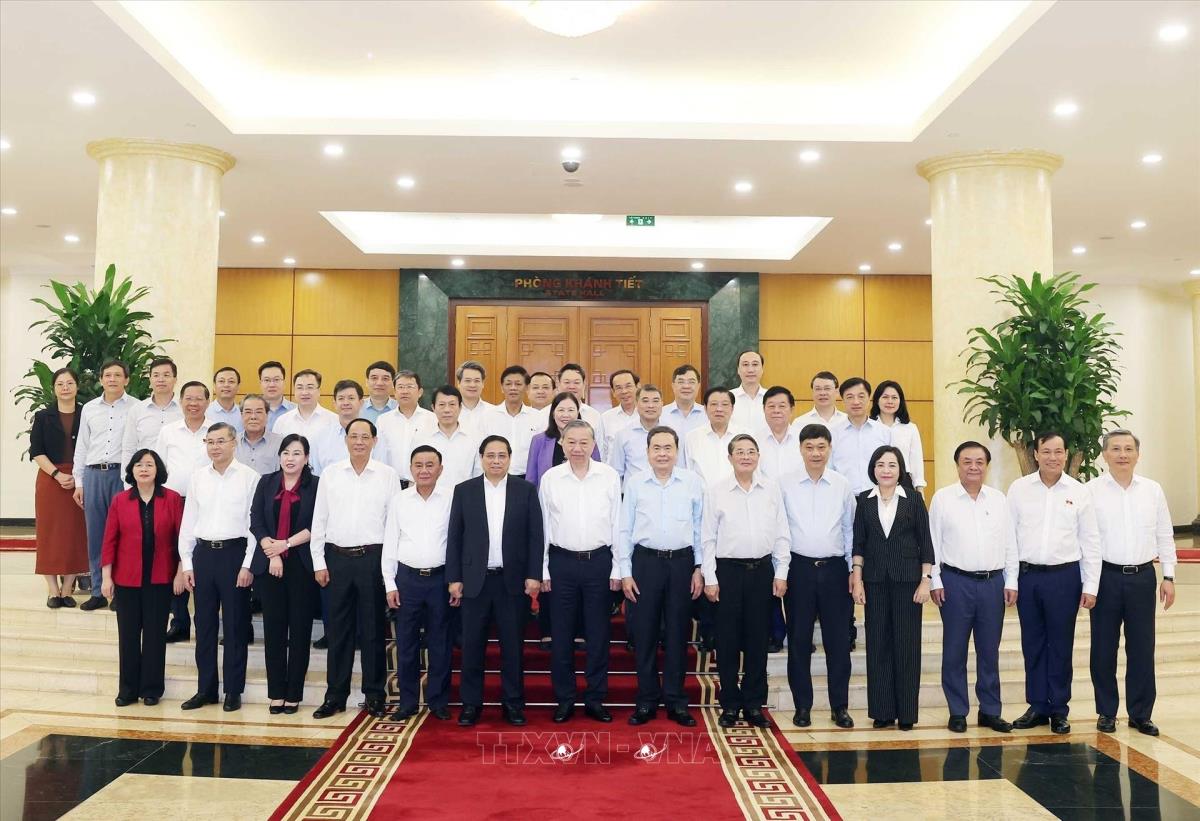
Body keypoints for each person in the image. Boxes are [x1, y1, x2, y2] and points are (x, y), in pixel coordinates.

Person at [1008, 432, 1101, 735]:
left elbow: (1090, 540)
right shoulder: (1019, 489)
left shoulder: (1079, 491)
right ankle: (1037, 705)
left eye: (1058, 451)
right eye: (1046, 451)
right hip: (1028, 577)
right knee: (1033, 643)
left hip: (1065, 577)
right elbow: (1009, 538)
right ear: (1035, 454)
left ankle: (1059, 709)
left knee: (1061, 645)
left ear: (1066, 454)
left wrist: (1090, 585)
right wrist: (1011, 579)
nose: (1052, 457)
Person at [448, 436, 545, 727]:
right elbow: (455, 537)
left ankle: (513, 704)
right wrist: (454, 578)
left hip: (511, 581)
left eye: (502, 455)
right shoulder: (464, 490)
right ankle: (471, 705)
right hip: (474, 582)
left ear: (510, 458)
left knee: (512, 647)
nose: (496, 460)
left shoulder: (525, 490)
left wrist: (534, 575)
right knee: (472, 647)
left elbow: (535, 536)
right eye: (490, 455)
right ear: (481, 458)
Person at [1088, 429, 1176, 737]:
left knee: (1142, 647)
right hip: (1105, 577)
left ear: (1138, 454)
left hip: (1142, 577)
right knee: (1103, 647)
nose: (1122, 454)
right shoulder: (1091, 491)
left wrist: (1168, 576)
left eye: (1128, 449)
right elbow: (1085, 539)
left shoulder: (1152, 490)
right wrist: (1088, 583)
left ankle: (1140, 714)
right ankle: (1106, 711)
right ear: (1104, 454)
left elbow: (1165, 533)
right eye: (1115, 449)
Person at [310, 418, 400, 719]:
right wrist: (319, 562)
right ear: (346, 440)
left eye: (365, 437)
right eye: (354, 436)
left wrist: (388, 570)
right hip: (336, 559)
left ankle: (374, 695)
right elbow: (319, 520)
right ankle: (335, 696)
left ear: (374, 441)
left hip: (372, 559)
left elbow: (393, 525)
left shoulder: (387, 475)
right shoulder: (331, 474)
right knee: (338, 631)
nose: (359, 441)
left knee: (373, 630)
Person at [928, 441, 1017, 734]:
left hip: (993, 584)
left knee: (989, 650)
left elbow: (1010, 543)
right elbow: (932, 543)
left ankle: (990, 710)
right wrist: (935, 579)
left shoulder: (999, 499)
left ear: (987, 466)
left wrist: (1011, 580)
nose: (973, 467)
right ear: (957, 465)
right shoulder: (943, 499)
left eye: (979, 462)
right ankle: (957, 710)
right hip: (955, 583)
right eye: (967, 461)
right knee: (954, 650)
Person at [702, 433, 790, 728]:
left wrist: (781, 572)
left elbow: (781, 533)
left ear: (758, 457)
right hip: (727, 573)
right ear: (730, 458)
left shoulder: (771, 489)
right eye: (739, 451)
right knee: (726, 641)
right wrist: (710, 577)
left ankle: (753, 704)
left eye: (751, 451)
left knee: (757, 640)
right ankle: (729, 704)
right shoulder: (716, 491)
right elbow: (707, 538)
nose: (745, 456)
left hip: (762, 572)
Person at [619, 426, 704, 727]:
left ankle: (676, 701)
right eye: (656, 448)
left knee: (678, 634)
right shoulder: (635, 483)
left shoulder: (692, 482)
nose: (663, 453)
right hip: (646, 563)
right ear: (647, 452)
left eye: (668, 448)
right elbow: (624, 529)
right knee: (644, 635)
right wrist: (625, 572)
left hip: (682, 563)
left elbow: (700, 527)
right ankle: (646, 701)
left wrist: (699, 568)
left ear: (677, 451)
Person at [539, 420, 622, 723]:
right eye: (571, 442)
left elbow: (617, 523)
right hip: (561, 563)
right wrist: (543, 569)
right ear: (562, 443)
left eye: (584, 442)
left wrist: (618, 567)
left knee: (598, 634)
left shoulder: (608, 476)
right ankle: (565, 698)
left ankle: (595, 698)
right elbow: (543, 525)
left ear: (593, 445)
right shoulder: (551, 478)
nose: (577, 448)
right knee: (561, 635)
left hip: (599, 562)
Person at [850, 445, 934, 731]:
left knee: (907, 646)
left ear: (901, 470)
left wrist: (926, 580)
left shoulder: (913, 499)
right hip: (874, 581)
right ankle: (882, 711)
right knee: (878, 645)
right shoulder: (864, 501)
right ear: (873, 469)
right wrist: (857, 579)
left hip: (908, 582)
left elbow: (926, 543)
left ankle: (907, 712)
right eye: (881, 465)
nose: (886, 470)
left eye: (892, 465)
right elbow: (858, 544)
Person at [178, 422, 260, 712]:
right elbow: (189, 521)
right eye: (210, 442)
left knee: (236, 626)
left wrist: (248, 564)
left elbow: (255, 526)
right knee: (204, 624)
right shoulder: (198, 477)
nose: (215, 447)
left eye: (221, 441)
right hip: (203, 555)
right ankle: (206, 689)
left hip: (235, 555)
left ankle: (233, 691)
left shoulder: (249, 477)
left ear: (234, 443)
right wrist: (187, 563)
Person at [780, 423, 856, 730]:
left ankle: (840, 707)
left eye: (821, 447)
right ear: (800, 449)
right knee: (799, 640)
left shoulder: (842, 484)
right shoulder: (784, 484)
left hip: (835, 570)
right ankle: (803, 707)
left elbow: (849, 530)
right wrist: (781, 571)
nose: (815, 453)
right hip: (798, 570)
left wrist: (853, 570)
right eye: (809, 447)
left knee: (838, 641)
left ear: (829, 448)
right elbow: (780, 531)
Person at [100, 449, 184, 707]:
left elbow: (182, 539)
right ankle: (127, 690)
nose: (144, 469)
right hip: (126, 579)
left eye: (149, 464)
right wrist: (106, 577)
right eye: (138, 465)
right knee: (128, 635)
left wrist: (180, 573)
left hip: (160, 578)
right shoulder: (120, 500)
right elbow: (109, 540)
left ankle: (151, 689)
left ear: (158, 470)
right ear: (132, 471)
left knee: (155, 635)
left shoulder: (172, 499)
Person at [382, 445, 454, 722]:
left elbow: (456, 542)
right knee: (406, 643)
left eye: (430, 465)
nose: (424, 470)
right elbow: (390, 541)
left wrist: (455, 580)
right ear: (410, 469)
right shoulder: (399, 500)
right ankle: (407, 702)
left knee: (440, 643)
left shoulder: (451, 498)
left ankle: (438, 701)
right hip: (407, 579)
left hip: (440, 580)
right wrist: (390, 583)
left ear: (440, 469)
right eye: (418, 465)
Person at [249, 433, 320, 715]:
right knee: (274, 630)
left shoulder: (316, 485)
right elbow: (256, 520)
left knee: (300, 630)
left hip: (301, 564)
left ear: (306, 458)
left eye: (297, 453)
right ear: (279, 456)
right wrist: (274, 551)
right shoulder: (266, 482)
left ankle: (294, 694)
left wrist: (286, 544)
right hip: (270, 564)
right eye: (286, 453)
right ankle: (276, 693)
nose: (290, 458)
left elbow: (319, 523)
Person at [525, 392, 599, 648]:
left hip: (581, 517)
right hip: (547, 513)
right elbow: (531, 478)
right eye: (561, 409)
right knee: (549, 574)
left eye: (571, 410)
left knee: (578, 580)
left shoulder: (587, 440)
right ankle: (548, 629)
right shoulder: (540, 440)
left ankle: (579, 631)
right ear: (552, 412)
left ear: (579, 413)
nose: (565, 414)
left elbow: (596, 476)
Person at [73, 359, 138, 610]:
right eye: (107, 375)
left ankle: (120, 591)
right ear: (101, 380)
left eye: (117, 375)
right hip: (94, 475)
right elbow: (82, 447)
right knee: (96, 534)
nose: (112, 379)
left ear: (127, 379)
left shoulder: (136, 407)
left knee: (125, 535)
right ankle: (98, 591)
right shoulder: (89, 408)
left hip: (122, 477)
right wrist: (79, 482)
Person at [155, 381, 212, 643]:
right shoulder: (168, 431)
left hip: (206, 503)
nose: (193, 403)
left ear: (207, 402)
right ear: (181, 402)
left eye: (199, 398)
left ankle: (204, 621)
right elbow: (159, 467)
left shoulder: (217, 430)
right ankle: (179, 622)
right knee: (173, 558)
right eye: (188, 398)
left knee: (199, 558)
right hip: (173, 501)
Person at [30, 366, 87, 607]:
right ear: (53, 388)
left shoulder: (86, 413)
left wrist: (76, 475)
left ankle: (67, 589)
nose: (65, 388)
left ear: (77, 386)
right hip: (50, 479)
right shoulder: (43, 416)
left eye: (69, 383)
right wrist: (56, 474)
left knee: (75, 533)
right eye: (60, 384)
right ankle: (53, 589)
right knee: (49, 533)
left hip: (79, 480)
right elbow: (36, 451)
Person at [410, 385, 480, 488]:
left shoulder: (475, 437)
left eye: (452, 404)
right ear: (433, 408)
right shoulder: (421, 437)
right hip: (431, 495)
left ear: (460, 408)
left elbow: (479, 474)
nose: (447, 410)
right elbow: (413, 475)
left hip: (465, 496)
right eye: (442, 405)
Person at [831, 378, 892, 494]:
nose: (856, 402)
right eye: (850, 397)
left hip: (877, 496)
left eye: (861, 396)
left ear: (869, 399)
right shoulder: (833, 434)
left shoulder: (884, 432)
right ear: (843, 400)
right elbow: (829, 469)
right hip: (843, 496)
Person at [376, 369, 436, 487]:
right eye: (401, 387)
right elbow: (379, 456)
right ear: (395, 392)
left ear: (420, 392)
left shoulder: (433, 419)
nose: (405, 391)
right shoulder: (383, 420)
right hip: (391, 484)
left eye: (410, 387)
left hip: (422, 484)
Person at [121, 356, 181, 470]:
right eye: (156, 375)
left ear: (175, 379)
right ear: (150, 379)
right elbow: (129, 447)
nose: (161, 379)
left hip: (177, 473)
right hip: (145, 473)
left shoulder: (185, 409)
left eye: (166, 375)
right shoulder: (137, 410)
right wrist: (127, 477)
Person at [482, 365, 542, 477]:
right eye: (508, 384)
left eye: (518, 384)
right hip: (496, 476)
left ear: (527, 388)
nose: (513, 388)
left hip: (527, 478)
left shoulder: (538, 418)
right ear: (502, 387)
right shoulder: (488, 417)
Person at [680, 387, 746, 484]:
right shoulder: (692, 437)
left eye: (724, 404)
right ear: (705, 408)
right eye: (714, 404)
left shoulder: (745, 436)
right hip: (702, 493)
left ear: (732, 409)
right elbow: (687, 472)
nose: (719, 409)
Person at [871, 380, 925, 490]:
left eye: (894, 398)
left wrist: (920, 490)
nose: (890, 401)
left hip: (903, 481)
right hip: (874, 481)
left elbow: (916, 461)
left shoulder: (910, 428)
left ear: (900, 401)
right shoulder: (868, 426)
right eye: (885, 397)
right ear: (877, 400)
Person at [607, 384, 664, 482]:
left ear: (662, 404)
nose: (651, 406)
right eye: (645, 401)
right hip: (633, 491)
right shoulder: (623, 435)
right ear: (636, 404)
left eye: (655, 401)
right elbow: (616, 473)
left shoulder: (672, 434)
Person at [310, 379, 368, 474]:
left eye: (351, 398)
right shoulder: (321, 436)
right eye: (341, 398)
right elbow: (315, 472)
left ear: (361, 403)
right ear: (335, 404)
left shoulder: (371, 435)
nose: (346, 403)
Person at [273, 369, 339, 444]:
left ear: (319, 391)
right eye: (300, 388)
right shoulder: (282, 421)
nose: (304, 392)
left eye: (310, 387)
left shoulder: (334, 420)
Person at [755, 386, 804, 479]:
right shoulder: (755, 440)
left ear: (792, 410)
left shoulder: (803, 439)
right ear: (764, 409)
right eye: (771, 406)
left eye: (782, 406)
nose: (776, 411)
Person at [555, 363, 605, 443]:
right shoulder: (545, 413)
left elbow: (599, 446)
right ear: (558, 385)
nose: (571, 387)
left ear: (584, 385)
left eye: (576, 382)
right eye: (567, 382)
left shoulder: (594, 415)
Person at [235, 394, 283, 475]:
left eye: (258, 412)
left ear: (267, 415)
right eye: (248, 412)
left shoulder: (280, 443)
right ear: (241, 415)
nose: (253, 417)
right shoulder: (232, 443)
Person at [599, 369, 639, 460]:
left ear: (637, 387)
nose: (624, 391)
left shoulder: (647, 415)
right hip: (613, 469)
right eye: (619, 388)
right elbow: (602, 451)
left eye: (628, 386)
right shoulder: (605, 418)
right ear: (613, 392)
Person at [661, 364, 707, 437]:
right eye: (681, 382)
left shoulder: (708, 415)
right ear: (673, 386)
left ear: (698, 386)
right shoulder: (660, 414)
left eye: (691, 382)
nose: (686, 386)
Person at [730, 350, 767, 429]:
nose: (750, 370)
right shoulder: (727, 398)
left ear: (762, 369)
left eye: (755, 364)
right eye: (745, 364)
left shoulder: (772, 398)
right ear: (738, 370)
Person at [455, 360, 494, 432]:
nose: (472, 385)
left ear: (483, 384)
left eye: (477, 381)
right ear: (459, 383)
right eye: (468, 380)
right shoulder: (449, 412)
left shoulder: (494, 412)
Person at [257, 361, 296, 431]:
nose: (272, 385)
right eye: (267, 380)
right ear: (260, 383)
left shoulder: (296, 410)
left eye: (276, 380)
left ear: (284, 382)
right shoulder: (250, 411)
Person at [205, 366, 243, 433]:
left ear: (238, 387)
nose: (226, 385)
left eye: (231, 381)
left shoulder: (243, 413)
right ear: (214, 386)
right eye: (221, 381)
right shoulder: (205, 412)